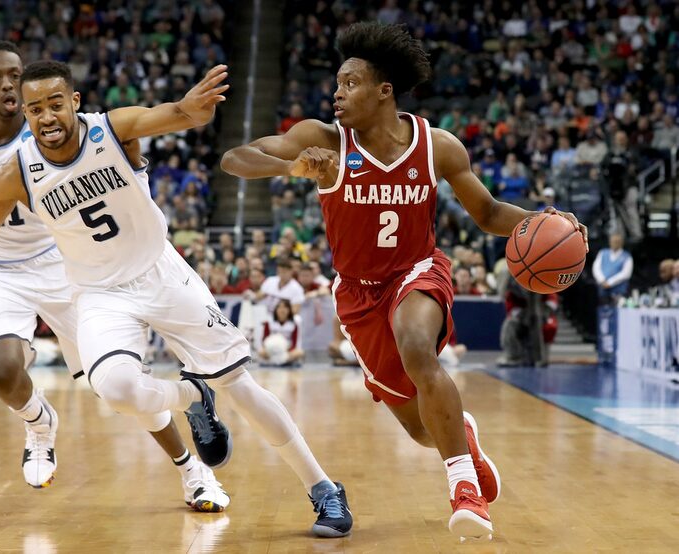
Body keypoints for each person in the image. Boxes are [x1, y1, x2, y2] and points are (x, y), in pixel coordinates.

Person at [0, 61, 352, 538]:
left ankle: (323, 488)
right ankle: (194, 396)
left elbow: (175, 113)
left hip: (162, 273)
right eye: (35, 110)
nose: (46, 117)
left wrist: (193, 110)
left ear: (74, 101)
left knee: (241, 384)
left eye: (54, 104)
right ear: (26, 116)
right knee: (116, 389)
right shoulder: (18, 172)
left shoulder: (112, 129)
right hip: (99, 293)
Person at [222, 21, 588, 540]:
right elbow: (234, 158)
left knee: (418, 346)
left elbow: (485, 212)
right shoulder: (321, 139)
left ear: (384, 91)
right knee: (420, 429)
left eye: (350, 83)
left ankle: (465, 491)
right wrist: (293, 168)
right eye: (337, 83)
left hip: (418, 271)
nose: (338, 92)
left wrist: (547, 221)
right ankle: (464, 440)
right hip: (357, 292)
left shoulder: (436, 146)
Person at [0, 42, 229, 512]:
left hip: (61, 262)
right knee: (4, 372)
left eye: (15, 75)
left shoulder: (51, 133)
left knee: (122, 387)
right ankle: (39, 422)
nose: (8, 84)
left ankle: (193, 470)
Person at [259, 299, 304, 366]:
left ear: (289, 310)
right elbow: (264, 340)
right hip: (271, 350)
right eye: (279, 307)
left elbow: (294, 343)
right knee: (261, 352)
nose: (282, 310)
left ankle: (282, 361)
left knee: (299, 352)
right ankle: (278, 361)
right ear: (276, 309)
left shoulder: (294, 324)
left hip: (287, 350)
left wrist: (287, 350)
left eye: (285, 307)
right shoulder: (269, 322)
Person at [591, 232, 633, 304]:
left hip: (619, 291)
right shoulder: (603, 252)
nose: (614, 243)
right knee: (603, 311)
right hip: (602, 289)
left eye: (617, 241)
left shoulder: (627, 256)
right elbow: (596, 268)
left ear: (621, 243)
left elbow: (625, 274)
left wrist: (610, 283)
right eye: (613, 241)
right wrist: (602, 281)